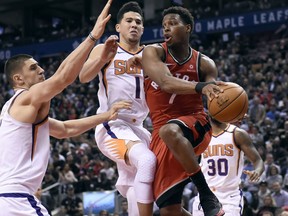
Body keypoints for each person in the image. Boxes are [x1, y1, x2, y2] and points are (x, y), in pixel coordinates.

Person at [0, 1, 131, 215]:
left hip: (9, 197)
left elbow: (65, 129)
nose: (42, 70)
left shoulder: (14, 110)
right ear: (18, 78)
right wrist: (92, 37)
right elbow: (62, 78)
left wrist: (106, 115)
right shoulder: (25, 98)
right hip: (17, 199)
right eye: (34, 68)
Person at [141, 6, 225, 216]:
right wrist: (200, 87)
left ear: (187, 28)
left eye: (172, 24)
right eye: (164, 26)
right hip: (161, 134)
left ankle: (206, 194)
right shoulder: (153, 52)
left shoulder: (205, 63)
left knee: (170, 131)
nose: (166, 29)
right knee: (168, 210)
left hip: (196, 124)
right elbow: (165, 82)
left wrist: (230, 110)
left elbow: (216, 99)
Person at [79, 2, 157, 216]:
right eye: (129, 21)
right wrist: (103, 57)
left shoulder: (151, 55)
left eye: (138, 22)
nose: (134, 25)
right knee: (147, 161)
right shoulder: (105, 49)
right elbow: (84, 77)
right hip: (112, 124)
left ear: (143, 29)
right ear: (118, 27)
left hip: (139, 128)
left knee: (138, 185)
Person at [192, 116, 264, 216]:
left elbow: (258, 160)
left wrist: (257, 172)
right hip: (205, 194)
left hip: (229, 196)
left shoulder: (237, 134)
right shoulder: (202, 134)